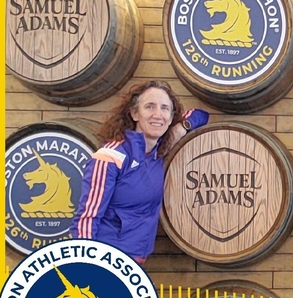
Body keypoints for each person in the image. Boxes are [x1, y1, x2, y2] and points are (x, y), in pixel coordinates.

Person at [70, 80, 209, 264]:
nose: (158, 114)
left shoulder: (159, 151)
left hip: (136, 260)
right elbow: (86, 219)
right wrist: (86, 264)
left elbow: (200, 115)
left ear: (171, 117)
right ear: (135, 113)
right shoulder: (111, 157)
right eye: (149, 107)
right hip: (107, 259)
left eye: (165, 108)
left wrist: (182, 126)